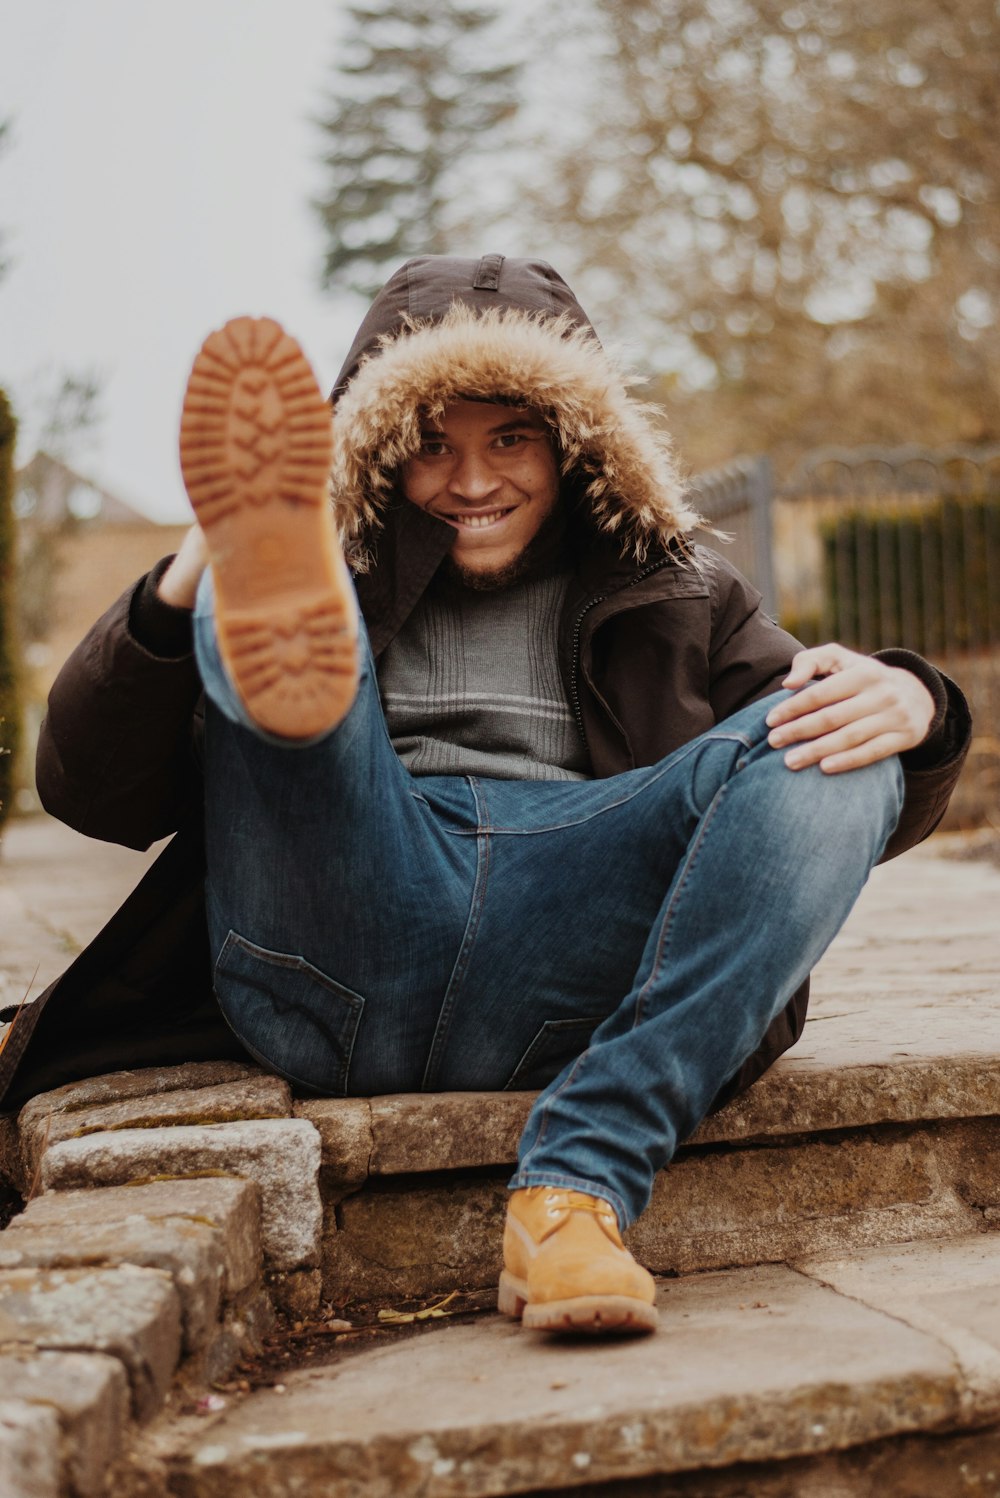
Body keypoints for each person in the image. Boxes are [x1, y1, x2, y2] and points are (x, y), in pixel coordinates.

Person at [0, 256, 970, 1336]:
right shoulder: (337, 566)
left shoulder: (681, 590)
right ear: (377, 446)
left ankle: (577, 1184)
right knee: (276, 607)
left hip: (578, 952)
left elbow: (805, 811)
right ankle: (262, 611)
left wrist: (916, 708)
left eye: (509, 437)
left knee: (830, 739)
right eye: (430, 443)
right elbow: (86, 788)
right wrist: (193, 579)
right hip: (335, 927)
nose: (471, 482)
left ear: (573, 440)